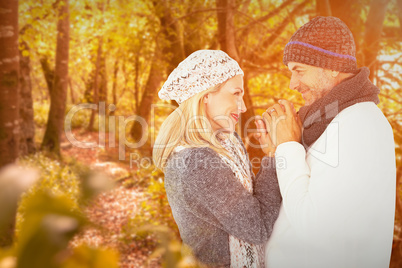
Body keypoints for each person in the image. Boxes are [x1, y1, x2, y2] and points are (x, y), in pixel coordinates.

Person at [255, 16, 396, 268]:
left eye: (299, 70)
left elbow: (314, 225)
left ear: (332, 66)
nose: (292, 84)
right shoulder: (337, 120)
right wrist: (279, 152)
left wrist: (289, 146)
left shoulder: (357, 125)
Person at [153, 50, 282, 267]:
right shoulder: (195, 162)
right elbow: (257, 227)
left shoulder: (227, 141)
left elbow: (251, 203)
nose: (243, 107)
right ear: (206, 96)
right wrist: (272, 156)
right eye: (236, 93)